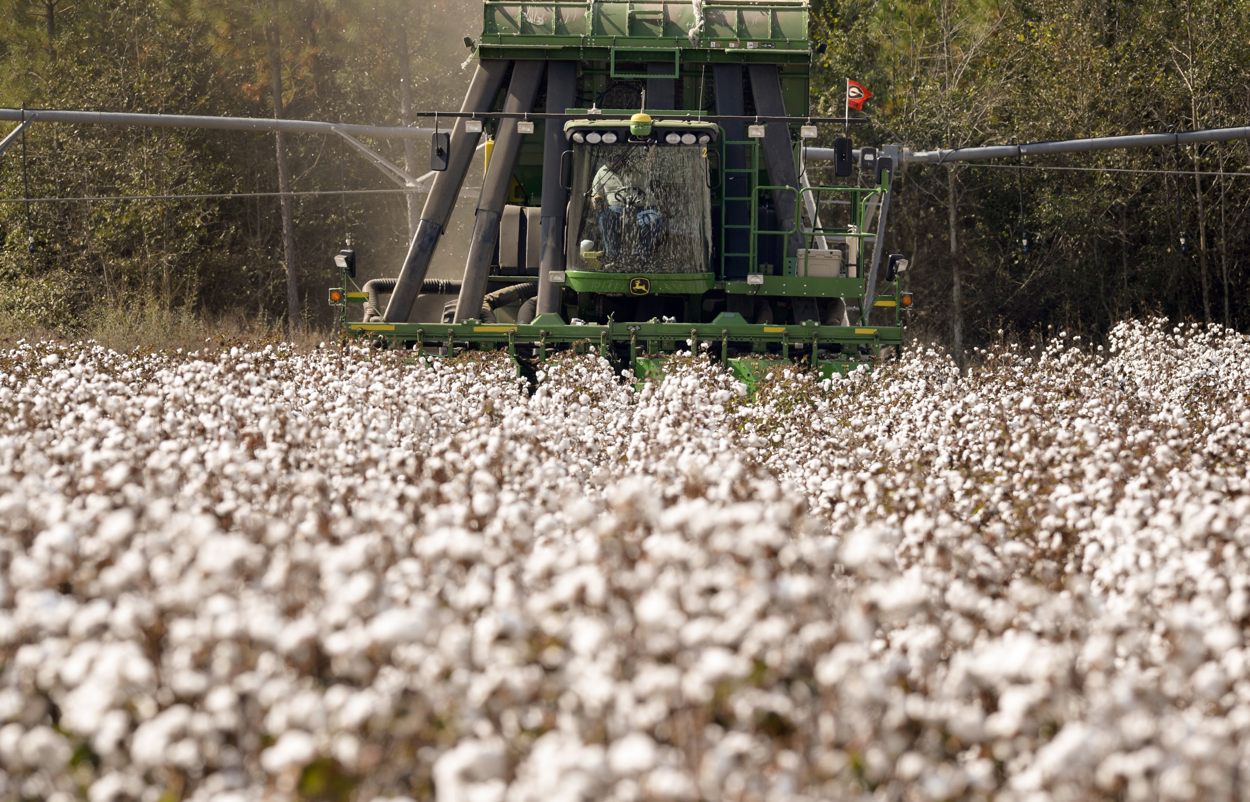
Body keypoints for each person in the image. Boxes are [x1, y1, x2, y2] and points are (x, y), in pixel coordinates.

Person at [590, 156, 664, 262]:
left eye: (618, 160)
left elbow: (649, 168)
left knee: (653, 220)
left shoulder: (638, 168)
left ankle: (644, 256)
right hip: (615, 209)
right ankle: (613, 257)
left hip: (642, 207)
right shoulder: (602, 172)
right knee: (605, 219)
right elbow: (596, 194)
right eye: (612, 161)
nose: (615, 163)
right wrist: (598, 204)